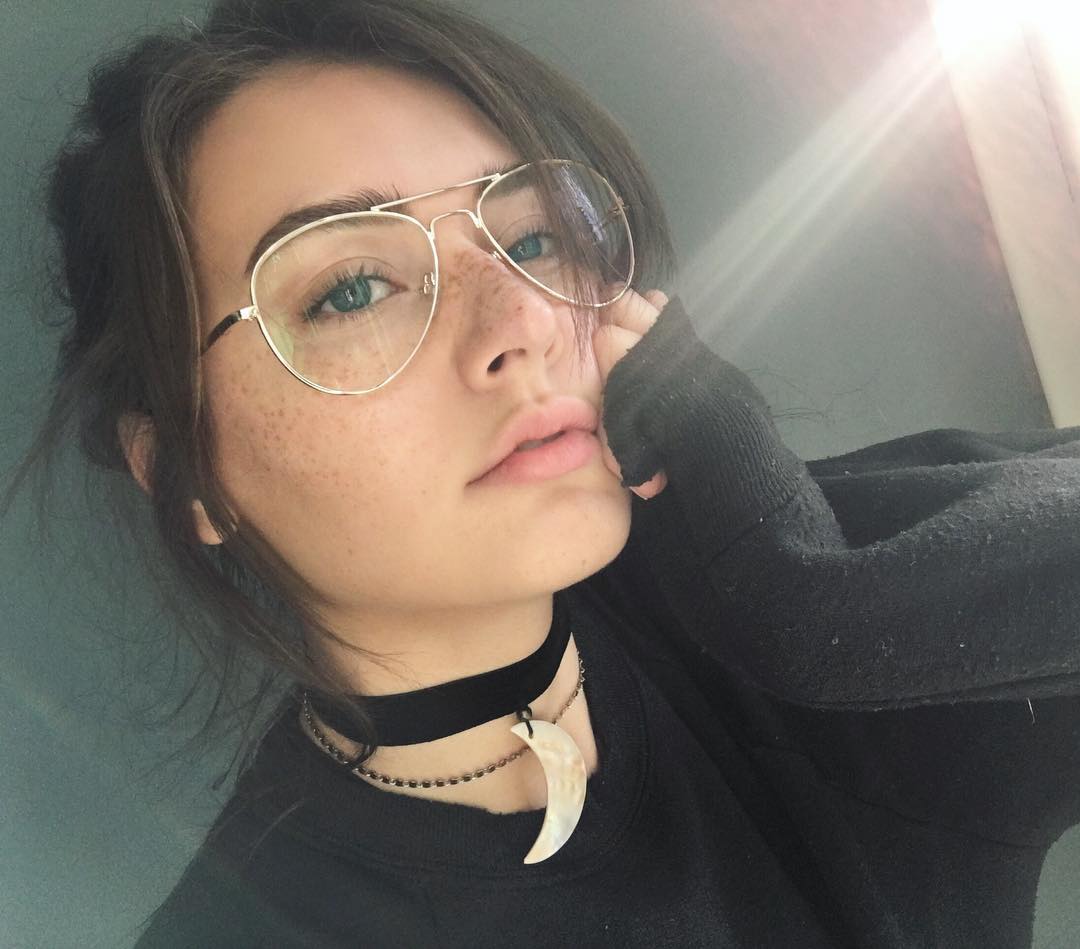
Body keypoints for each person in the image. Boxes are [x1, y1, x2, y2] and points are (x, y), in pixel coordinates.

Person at [15, 0, 1080, 945]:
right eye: (352, 289)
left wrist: (827, 606)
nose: (522, 318)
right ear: (189, 476)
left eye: (530, 238)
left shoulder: (760, 573)